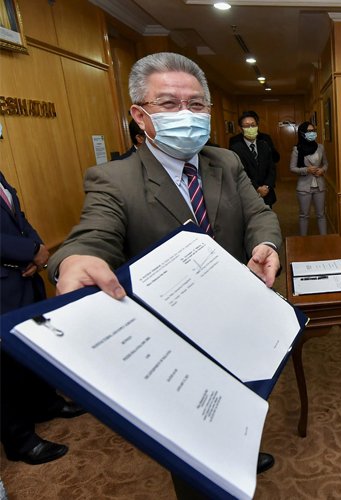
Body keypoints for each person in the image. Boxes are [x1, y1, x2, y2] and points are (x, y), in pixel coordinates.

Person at [46, 52, 282, 490]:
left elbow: (258, 214)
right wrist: (74, 259)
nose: (186, 115)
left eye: (196, 105)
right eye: (169, 104)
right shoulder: (113, 179)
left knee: (238, 396)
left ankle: (239, 449)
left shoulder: (226, 163)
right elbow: (93, 235)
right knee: (192, 438)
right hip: (172, 334)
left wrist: (265, 244)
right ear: (140, 115)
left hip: (234, 313)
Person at [1, 170, 86, 465]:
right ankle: (20, 441)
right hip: (3, 283)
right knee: (5, 367)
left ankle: (45, 404)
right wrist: (29, 251)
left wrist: (39, 249)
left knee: (34, 345)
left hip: (23, 277)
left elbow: (19, 219)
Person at [229, 110, 279, 207]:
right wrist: (257, 188)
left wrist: (267, 186)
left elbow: (271, 168)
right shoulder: (235, 148)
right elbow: (239, 172)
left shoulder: (264, 145)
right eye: (247, 126)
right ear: (240, 128)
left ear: (257, 126)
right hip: (247, 194)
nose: (250, 128)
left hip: (267, 194)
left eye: (253, 125)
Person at [290, 121, 328, 236]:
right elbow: (292, 168)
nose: (312, 133)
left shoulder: (320, 147)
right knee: (304, 215)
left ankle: (324, 239)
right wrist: (306, 170)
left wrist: (322, 170)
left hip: (319, 186)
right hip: (304, 187)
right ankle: (303, 240)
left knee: (321, 214)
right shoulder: (297, 149)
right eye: (309, 131)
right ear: (302, 133)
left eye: (313, 131)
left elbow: (326, 163)